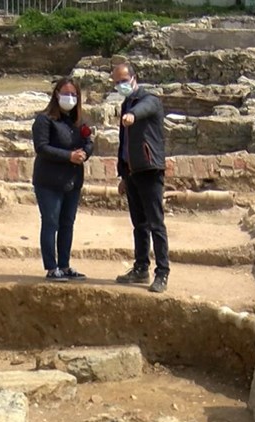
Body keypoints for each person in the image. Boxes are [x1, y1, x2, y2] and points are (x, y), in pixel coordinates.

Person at [112, 62, 170, 294]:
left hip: (149, 169)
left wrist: (132, 115)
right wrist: (123, 174)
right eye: (117, 82)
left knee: (156, 223)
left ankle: (162, 272)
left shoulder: (149, 100)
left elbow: (144, 109)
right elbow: (124, 144)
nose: (121, 85)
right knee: (139, 224)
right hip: (132, 172)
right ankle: (141, 268)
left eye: (123, 81)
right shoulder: (126, 103)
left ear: (134, 78)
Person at [31, 77, 94, 281]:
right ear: (57, 94)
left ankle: (65, 265)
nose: (70, 98)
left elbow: (88, 141)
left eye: (73, 94)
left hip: (72, 181)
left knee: (67, 223)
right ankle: (51, 267)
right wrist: (68, 156)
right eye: (66, 94)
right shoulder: (45, 120)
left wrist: (84, 153)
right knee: (51, 222)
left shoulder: (79, 121)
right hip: (49, 181)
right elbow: (42, 147)